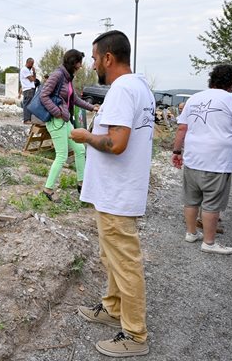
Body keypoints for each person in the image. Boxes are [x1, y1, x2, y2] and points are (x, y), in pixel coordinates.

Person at [71, 30, 154, 357]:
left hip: (118, 194)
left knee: (125, 262)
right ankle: (113, 307)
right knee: (114, 258)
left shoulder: (121, 89)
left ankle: (135, 335)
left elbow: (116, 144)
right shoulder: (139, 87)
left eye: (94, 58)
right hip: (117, 193)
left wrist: (85, 136)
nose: (92, 64)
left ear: (108, 57)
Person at [171, 64, 232, 254]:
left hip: (192, 158)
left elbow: (182, 128)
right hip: (217, 160)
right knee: (211, 203)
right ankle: (209, 242)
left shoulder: (195, 98)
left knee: (191, 199)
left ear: (211, 79)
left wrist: (176, 151)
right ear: (231, 82)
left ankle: (191, 233)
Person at [41, 49, 98, 201]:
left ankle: (82, 184)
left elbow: (75, 99)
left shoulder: (67, 78)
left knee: (80, 149)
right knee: (62, 155)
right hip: (56, 121)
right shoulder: (58, 75)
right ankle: (48, 189)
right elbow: (43, 95)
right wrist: (57, 112)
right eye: (79, 63)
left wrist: (92, 107)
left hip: (65, 121)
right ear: (73, 62)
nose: (81, 66)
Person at [19, 57, 37, 124]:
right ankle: (26, 120)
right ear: (28, 63)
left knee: (29, 104)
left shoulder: (29, 70)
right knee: (27, 104)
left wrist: (34, 72)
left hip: (30, 89)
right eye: (31, 63)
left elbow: (34, 79)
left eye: (33, 63)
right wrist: (33, 76)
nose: (32, 65)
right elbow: (31, 79)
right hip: (28, 89)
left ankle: (28, 119)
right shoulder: (24, 70)